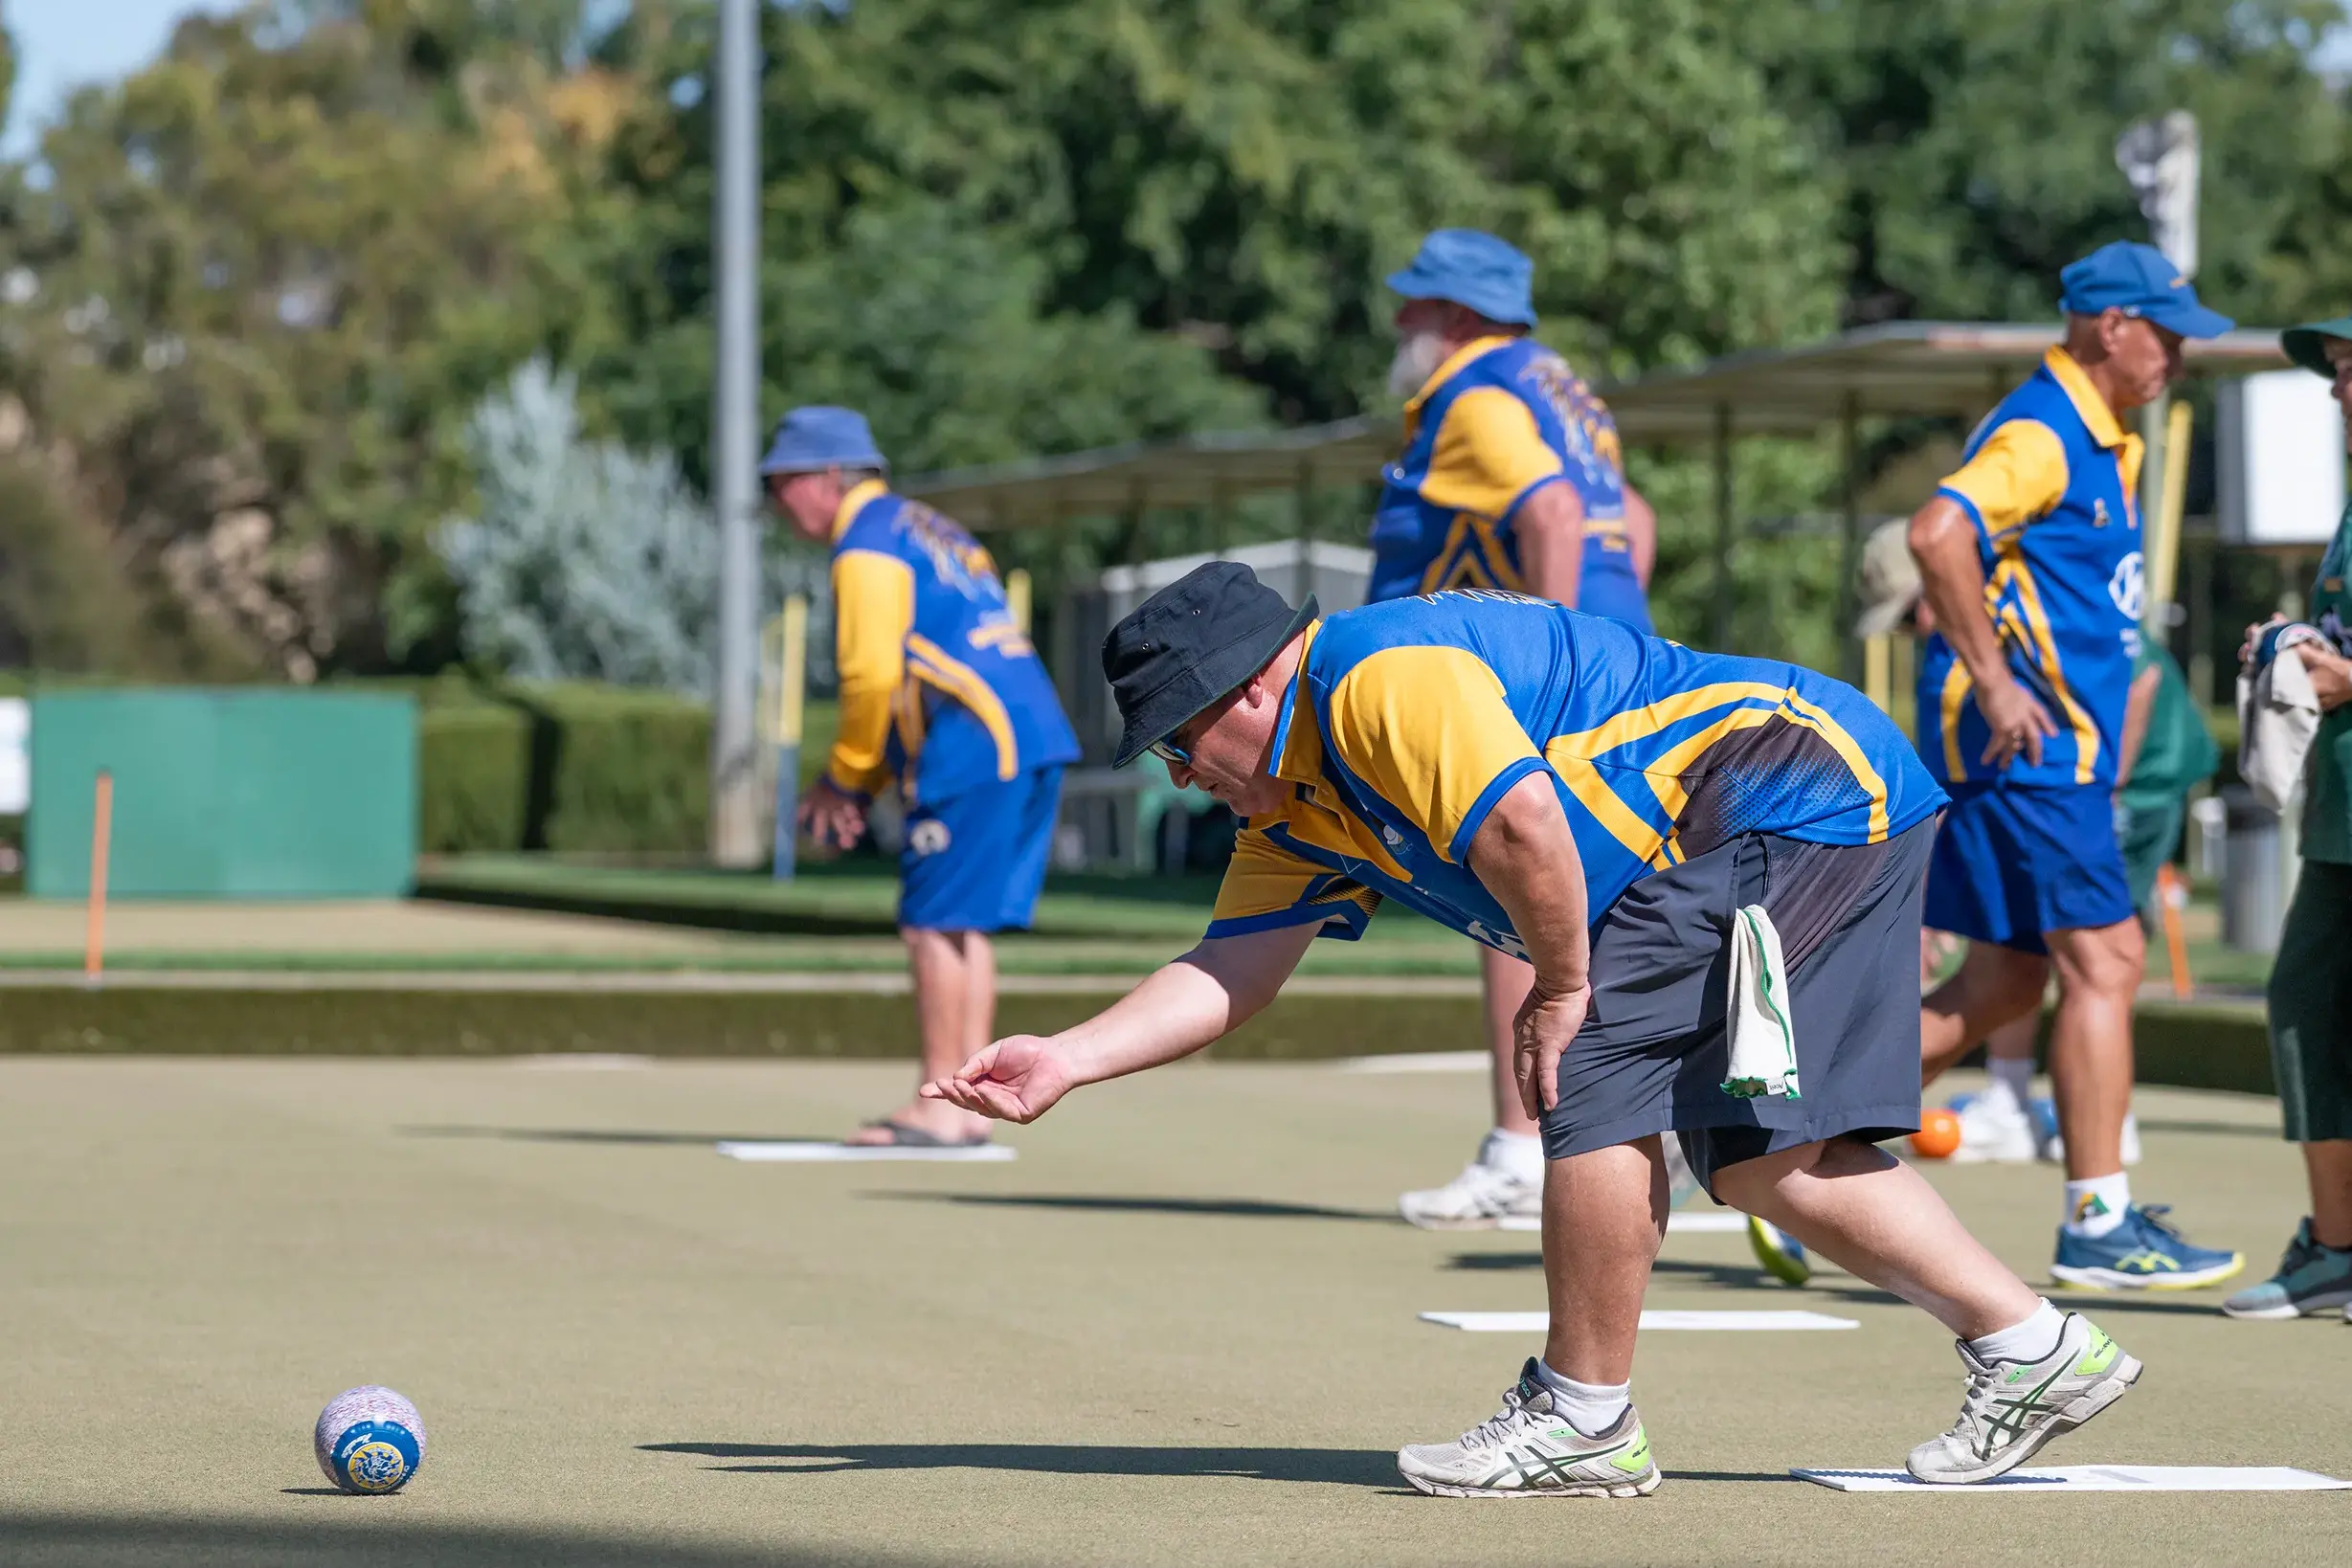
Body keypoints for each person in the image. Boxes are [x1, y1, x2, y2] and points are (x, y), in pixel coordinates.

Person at [927, 563, 2142, 1493]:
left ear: (1250, 689)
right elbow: (1233, 966)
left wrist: (1563, 988)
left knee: (1592, 1069)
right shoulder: (1290, 801)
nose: (1180, 775)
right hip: (1755, 824)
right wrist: (1070, 1059)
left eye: (1181, 744)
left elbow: (1524, 831)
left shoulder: (1373, 680)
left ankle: (1583, 1418)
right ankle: (2032, 1346)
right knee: (1759, 1156)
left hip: (1786, 792)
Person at [1908, 242, 2241, 1287]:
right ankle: (2098, 1223)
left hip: (2051, 756)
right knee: (2110, 960)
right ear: (2112, 327)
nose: (2179, 358)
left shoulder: (2103, 439)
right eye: (2169, 334)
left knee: (2009, 978)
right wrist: (1999, 684)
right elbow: (1935, 532)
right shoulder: (2047, 431)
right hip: (2029, 750)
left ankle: (1786, 1135)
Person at [1365, 229, 1666, 1236]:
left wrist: (1551, 658)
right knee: (1597, 908)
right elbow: (1631, 510)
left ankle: (1518, 1146)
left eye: (1414, 305)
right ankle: (1618, 1131)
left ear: (1451, 316)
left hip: (1536, 687)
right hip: (1615, 671)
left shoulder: (1477, 392)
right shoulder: (1558, 384)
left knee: (1509, 892)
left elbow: (1553, 512)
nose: (1399, 322)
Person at [761, 407, 1079, 1146]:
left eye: (783, 481)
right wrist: (867, 781)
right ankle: (967, 1106)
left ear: (831, 476)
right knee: (962, 924)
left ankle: (938, 1107)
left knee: (931, 923)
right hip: (1029, 730)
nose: (776, 500)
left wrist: (842, 779)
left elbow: (871, 678)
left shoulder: (864, 544)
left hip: (974, 738)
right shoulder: (930, 527)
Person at [2223, 316, 2352, 1321]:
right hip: (2341, 813)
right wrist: (2292, 646)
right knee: (2306, 1008)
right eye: (2338, 374)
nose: (2337, 391)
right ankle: (2338, 1244)